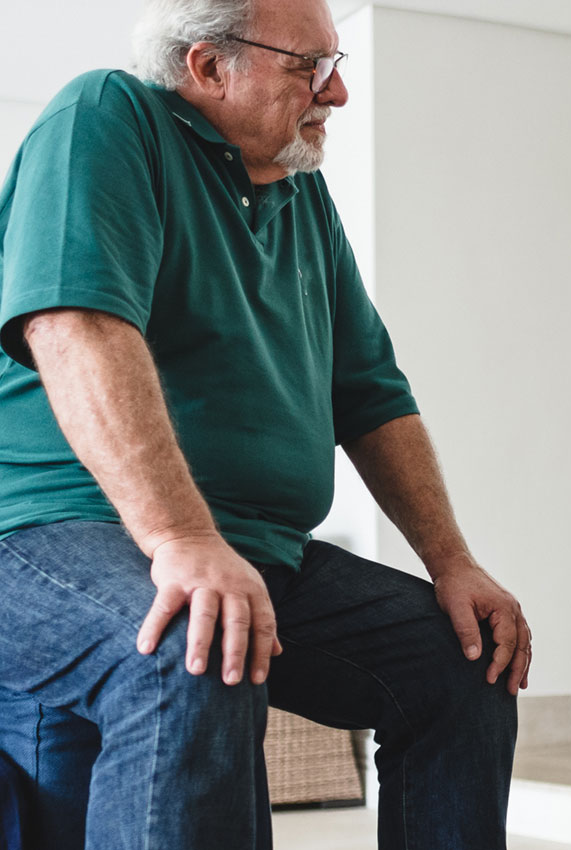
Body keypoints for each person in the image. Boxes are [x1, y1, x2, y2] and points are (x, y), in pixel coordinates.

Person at [0, 0, 530, 846]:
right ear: (210, 66)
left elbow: (369, 392)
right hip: (48, 531)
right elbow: (76, 326)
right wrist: (180, 538)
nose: (341, 91)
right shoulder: (108, 117)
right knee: (192, 647)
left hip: (258, 549)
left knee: (464, 660)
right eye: (309, 67)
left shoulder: (299, 194)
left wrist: (452, 562)